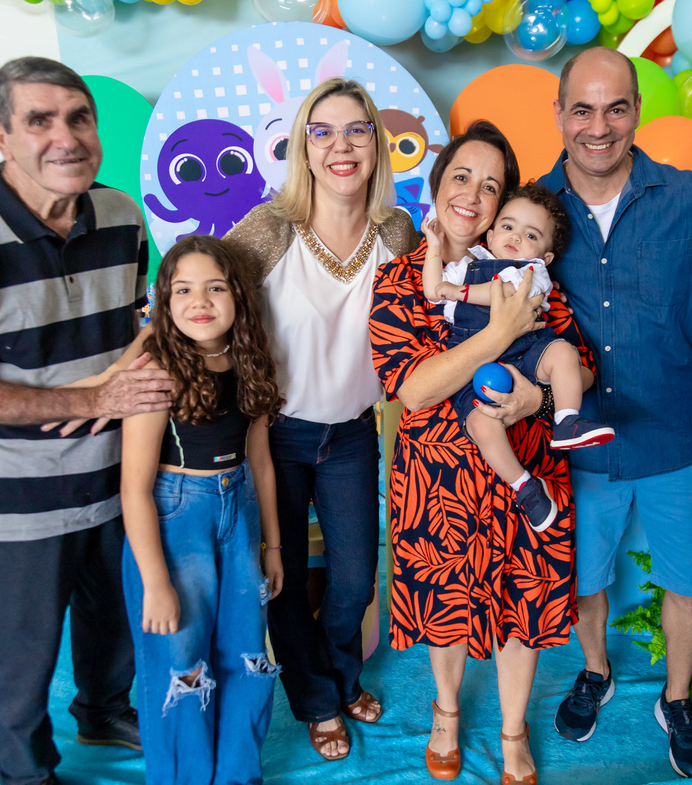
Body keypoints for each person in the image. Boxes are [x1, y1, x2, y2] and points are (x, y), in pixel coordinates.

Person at [0, 57, 173, 785]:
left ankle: (103, 711)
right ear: (3, 135)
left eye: (79, 118)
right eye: (40, 121)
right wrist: (91, 401)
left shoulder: (121, 215)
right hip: (19, 495)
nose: (66, 137)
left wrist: (135, 377)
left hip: (118, 477)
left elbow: (137, 325)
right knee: (20, 649)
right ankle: (25, 770)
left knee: (113, 618)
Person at [537, 47, 692, 778]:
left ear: (638, 111)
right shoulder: (532, 209)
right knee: (582, 580)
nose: (599, 126)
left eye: (616, 108)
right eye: (583, 109)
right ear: (559, 114)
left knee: (690, 582)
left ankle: (677, 698)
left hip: (677, 434)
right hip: (576, 444)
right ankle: (596, 671)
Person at [371, 119, 597, 785]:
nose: (472, 194)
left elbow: (578, 360)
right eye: (461, 176)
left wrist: (537, 399)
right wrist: (498, 333)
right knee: (445, 603)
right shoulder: (400, 280)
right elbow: (414, 388)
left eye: (491, 185)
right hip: (436, 479)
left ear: (505, 205)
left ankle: (513, 729)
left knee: (524, 606)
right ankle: (445, 712)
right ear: (438, 184)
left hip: (528, 472)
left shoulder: (528, 275)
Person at [222, 78, 418, 761]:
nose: (342, 145)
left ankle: (339, 677)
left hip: (354, 433)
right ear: (303, 147)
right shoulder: (269, 229)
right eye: (323, 131)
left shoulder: (396, 232)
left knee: (355, 580)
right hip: (276, 435)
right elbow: (200, 291)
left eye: (357, 130)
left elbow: (431, 311)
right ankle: (317, 701)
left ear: (376, 145)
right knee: (279, 578)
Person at [115, 234, 284, 785]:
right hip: (174, 522)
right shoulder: (154, 370)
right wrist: (155, 581)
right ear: (164, 302)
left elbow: (261, 463)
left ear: (238, 295)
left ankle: (237, 775)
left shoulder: (251, 360)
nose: (200, 301)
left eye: (215, 287)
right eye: (183, 290)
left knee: (248, 654)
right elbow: (134, 488)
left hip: (240, 516)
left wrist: (273, 545)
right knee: (181, 663)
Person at [421, 182, 614, 532]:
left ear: (546, 257)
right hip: (471, 365)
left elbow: (506, 293)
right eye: (508, 226)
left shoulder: (533, 273)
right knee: (481, 426)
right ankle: (525, 488)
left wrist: (459, 292)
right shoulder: (466, 266)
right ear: (490, 235)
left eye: (531, 235)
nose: (515, 237)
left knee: (563, 352)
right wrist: (434, 248)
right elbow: (433, 289)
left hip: (527, 352)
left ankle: (567, 419)